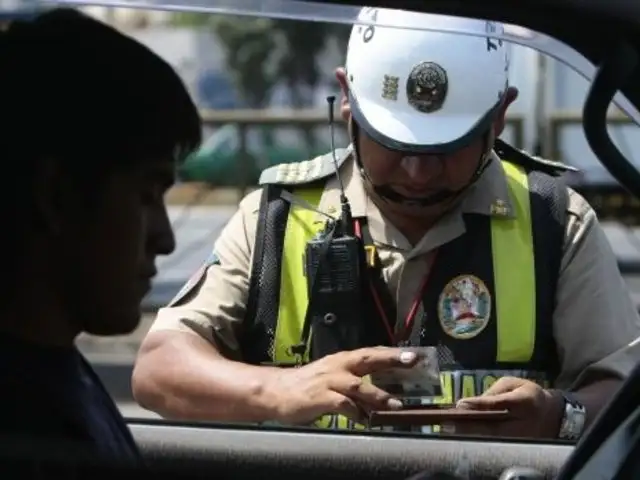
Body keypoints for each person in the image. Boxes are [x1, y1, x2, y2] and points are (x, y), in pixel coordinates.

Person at [132, 9, 640, 440]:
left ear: (500, 116)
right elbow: (159, 369)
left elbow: (624, 396)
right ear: (346, 99)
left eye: (446, 148)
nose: (419, 173)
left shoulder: (556, 223)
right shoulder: (276, 217)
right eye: (395, 144)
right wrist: (284, 389)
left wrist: (558, 418)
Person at [0, 8, 201, 462]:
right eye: (146, 196)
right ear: (55, 197)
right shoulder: (26, 430)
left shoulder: (51, 372)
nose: (165, 239)